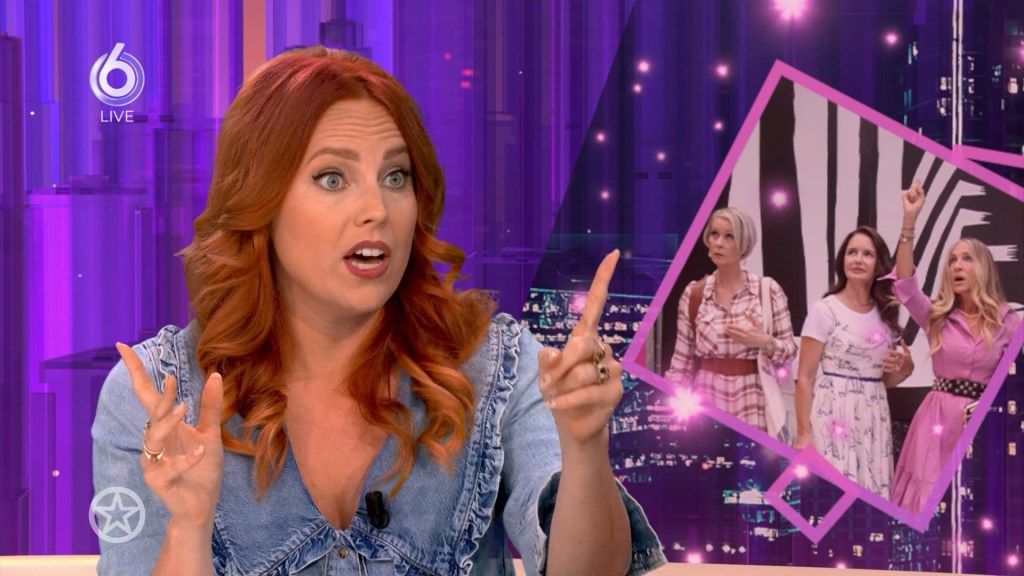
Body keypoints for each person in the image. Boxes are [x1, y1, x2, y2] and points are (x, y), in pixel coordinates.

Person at [91, 47, 665, 576]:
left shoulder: (499, 367)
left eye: (396, 176)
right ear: (261, 202)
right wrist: (189, 528)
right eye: (332, 178)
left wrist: (586, 448)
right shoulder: (155, 397)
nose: (377, 210)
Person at [889, 181, 1021, 514]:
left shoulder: (1010, 323)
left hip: (981, 425)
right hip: (934, 422)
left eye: (966, 259)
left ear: (983, 268)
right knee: (925, 508)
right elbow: (905, 285)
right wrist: (909, 220)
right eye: (952, 261)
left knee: (973, 509)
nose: (957, 266)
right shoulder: (936, 316)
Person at [795, 226, 913, 497]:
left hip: (873, 419)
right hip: (831, 415)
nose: (858, 259)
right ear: (842, 260)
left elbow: (881, 381)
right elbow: (805, 378)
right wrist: (803, 433)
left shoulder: (886, 315)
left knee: (870, 496)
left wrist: (906, 370)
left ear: (879, 265)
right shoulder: (824, 310)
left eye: (867, 254)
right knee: (831, 495)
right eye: (852, 252)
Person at [664, 207, 798, 434]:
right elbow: (681, 364)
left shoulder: (767, 291)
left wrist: (765, 342)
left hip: (754, 401)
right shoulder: (694, 294)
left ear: (744, 245)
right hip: (705, 401)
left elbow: (790, 351)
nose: (718, 243)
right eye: (714, 234)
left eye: (729, 237)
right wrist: (672, 414)